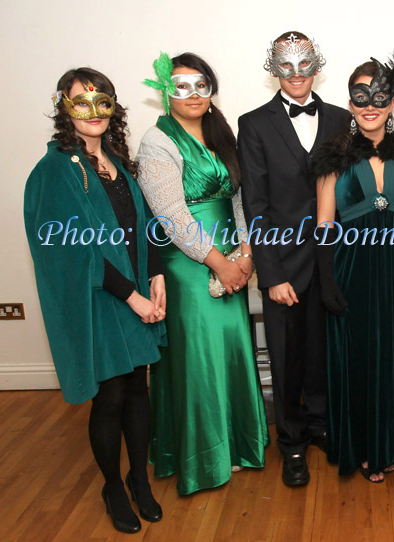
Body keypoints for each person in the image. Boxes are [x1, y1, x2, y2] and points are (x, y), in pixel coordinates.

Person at [24, 68, 166, 533]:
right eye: (79, 101)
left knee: (139, 390)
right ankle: (111, 485)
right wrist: (132, 297)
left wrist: (157, 274)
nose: (92, 110)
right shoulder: (55, 171)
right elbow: (70, 251)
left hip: (135, 295)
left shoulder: (117, 163)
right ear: (63, 107)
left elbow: (141, 225)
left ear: (113, 105)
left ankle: (138, 479)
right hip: (101, 301)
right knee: (111, 396)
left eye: (100, 99)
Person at [137, 52, 268, 495]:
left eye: (201, 85)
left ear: (211, 91)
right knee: (200, 360)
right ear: (165, 93)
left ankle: (236, 446)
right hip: (190, 266)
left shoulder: (220, 134)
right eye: (181, 86)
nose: (192, 94)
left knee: (232, 351)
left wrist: (246, 253)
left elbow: (238, 198)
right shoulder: (157, 142)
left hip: (232, 255)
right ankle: (203, 457)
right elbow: (171, 216)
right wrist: (219, 263)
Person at [313, 33, 394, 483]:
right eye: (361, 96)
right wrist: (327, 280)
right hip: (352, 270)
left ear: (391, 100)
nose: (370, 105)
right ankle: (363, 446)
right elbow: (325, 222)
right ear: (350, 102)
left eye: (379, 95)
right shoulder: (334, 157)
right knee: (358, 357)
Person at [238, 32, 350, 486]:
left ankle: (322, 426)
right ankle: (292, 443)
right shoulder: (254, 123)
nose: (297, 74)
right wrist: (272, 272)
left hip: (333, 261)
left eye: (305, 65)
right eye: (287, 66)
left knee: (326, 353)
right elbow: (256, 205)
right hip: (283, 261)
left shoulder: (343, 118)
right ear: (274, 69)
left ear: (317, 66)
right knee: (286, 359)